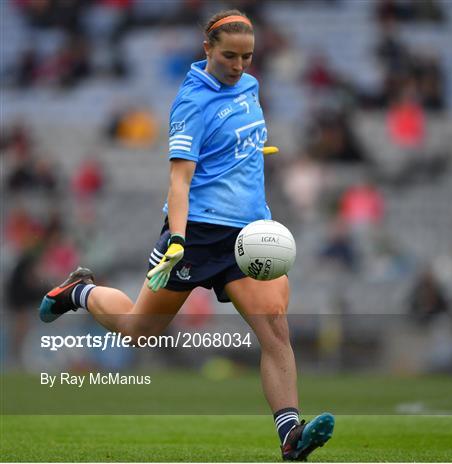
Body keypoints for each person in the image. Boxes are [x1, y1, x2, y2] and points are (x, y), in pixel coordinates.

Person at [38, 9, 334, 462]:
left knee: (275, 325)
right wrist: (176, 239)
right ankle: (80, 292)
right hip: (194, 235)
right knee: (139, 330)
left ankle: (290, 435)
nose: (238, 66)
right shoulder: (192, 103)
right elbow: (179, 181)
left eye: (247, 57)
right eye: (230, 56)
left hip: (249, 235)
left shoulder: (250, 86)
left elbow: (236, 144)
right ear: (207, 50)